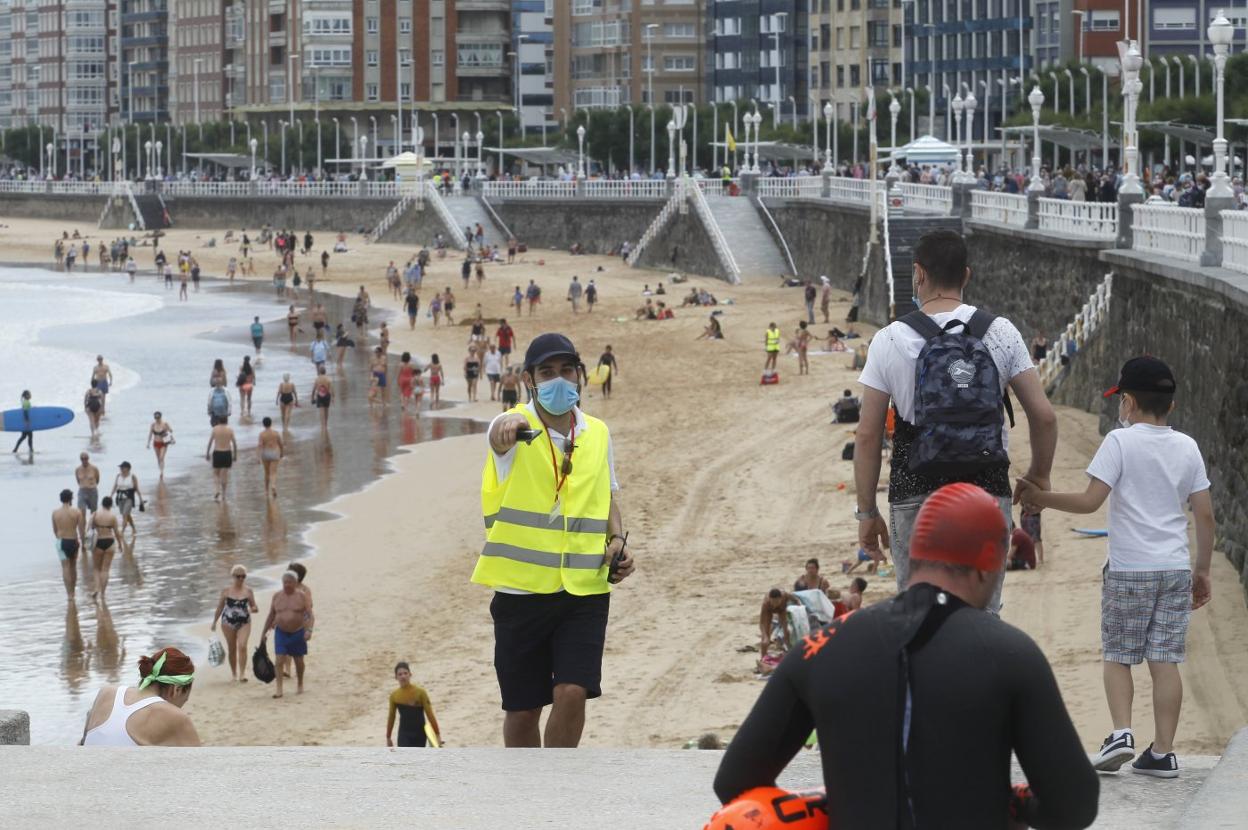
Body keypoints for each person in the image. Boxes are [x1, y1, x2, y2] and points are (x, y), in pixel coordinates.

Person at [713, 483, 1099, 829]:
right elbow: (1074, 805)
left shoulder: (819, 649)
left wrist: (826, 807)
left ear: (913, 556)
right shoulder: (1011, 652)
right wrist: (1014, 805)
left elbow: (734, 781)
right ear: (989, 566)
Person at [1016, 356, 1214, 779]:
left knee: (1119, 654)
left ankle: (1122, 732)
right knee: (1165, 659)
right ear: (1171, 406)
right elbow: (1205, 516)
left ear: (1126, 402)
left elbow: (1090, 501)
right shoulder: (1188, 447)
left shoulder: (1119, 442)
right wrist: (1203, 571)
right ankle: (1163, 752)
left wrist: (1040, 498)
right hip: (1175, 567)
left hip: (1129, 569)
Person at [854, 230, 1057, 614]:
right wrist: (1038, 476)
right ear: (966, 276)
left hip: (915, 490)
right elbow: (1044, 417)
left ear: (918, 274)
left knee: (917, 618)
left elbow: (867, 437)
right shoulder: (1001, 332)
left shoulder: (889, 339)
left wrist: (867, 514)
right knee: (982, 618)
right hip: (985, 490)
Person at [472, 332, 635, 748]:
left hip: (584, 589)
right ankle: (526, 793)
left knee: (572, 691)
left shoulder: (597, 433)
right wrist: (504, 429)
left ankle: (558, 786)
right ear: (529, 378)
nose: (558, 381)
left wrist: (617, 542)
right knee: (524, 709)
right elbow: (497, 434)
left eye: (566, 371)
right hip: (520, 591)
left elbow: (608, 494)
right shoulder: (513, 427)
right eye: (547, 372)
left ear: (580, 376)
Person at [80, 648, 201, 746]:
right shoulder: (176, 717)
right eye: (183, 702)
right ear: (176, 690)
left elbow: (82, 744)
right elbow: (200, 768)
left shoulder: (106, 692)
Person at [262, 571, 316, 699]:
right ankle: (279, 689)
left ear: (295, 583)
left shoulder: (302, 596)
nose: (286, 585)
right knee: (279, 659)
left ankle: (300, 683)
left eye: (289, 582)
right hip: (281, 632)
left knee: (299, 661)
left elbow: (310, 615)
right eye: (284, 582)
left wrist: (309, 630)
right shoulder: (277, 596)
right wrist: (264, 633)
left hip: (298, 631)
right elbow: (271, 615)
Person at [211, 565, 260, 682]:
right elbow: (219, 608)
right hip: (227, 622)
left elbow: (254, 606)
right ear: (233, 576)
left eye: (243, 576)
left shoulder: (248, 591)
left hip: (244, 622)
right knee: (232, 648)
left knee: (242, 646)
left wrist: (254, 608)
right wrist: (214, 622)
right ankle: (234, 673)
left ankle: (242, 674)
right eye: (238, 576)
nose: (241, 579)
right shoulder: (226, 591)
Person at [386, 662, 443, 748]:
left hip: (420, 733)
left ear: (410, 674)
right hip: (404, 734)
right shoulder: (394, 696)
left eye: (405, 673)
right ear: (396, 677)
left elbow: (430, 714)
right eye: (400, 674)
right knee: (404, 759)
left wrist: (437, 734)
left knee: (418, 759)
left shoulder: (420, 693)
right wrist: (388, 737)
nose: (403, 676)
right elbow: (391, 717)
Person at [52, 489, 84, 600]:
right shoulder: (77, 512)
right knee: (73, 566)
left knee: (65, 567)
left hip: (61, 541)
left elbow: (55, 531)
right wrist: (83, 543)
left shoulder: (55, 513)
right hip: (73, 540)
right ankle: (73, 591)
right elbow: (81, 530)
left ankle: (69, 594)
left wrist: (60, 537)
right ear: (71, 498)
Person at [89, 496, 121, 599]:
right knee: (105, 570)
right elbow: (116, 532)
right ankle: (103, 594)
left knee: (96, 569)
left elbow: (88, 528)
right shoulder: (112, 516)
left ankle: (96, 589)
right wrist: (120, 544)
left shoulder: (95, 514)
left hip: (98, 541)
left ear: (102, 504)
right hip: (110, 542)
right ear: (110, 505)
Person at [205, 416, 238, 501]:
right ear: (227, 421)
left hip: (217, 452)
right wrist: (235, 455)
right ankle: (223, 494)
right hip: (227, 453)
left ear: (219, 421)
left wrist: (207, 453)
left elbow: (210, 442)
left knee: (216, 473)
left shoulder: (215, 429)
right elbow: (234, 443)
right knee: (225, 474)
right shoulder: (230, 430)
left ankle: (217, 490)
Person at [759, 589, 798, 660]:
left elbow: (794, 599)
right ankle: (763, 659)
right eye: (773, 602)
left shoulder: (785, 595)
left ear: (781, 598)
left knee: (786, 633)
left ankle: (790, 654)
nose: (775, 604)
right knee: (765, 639)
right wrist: (764, 635)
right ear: (770, 599)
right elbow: (762, 623)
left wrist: (798, 604)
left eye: (777, 602)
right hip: (769, 611)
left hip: (782, 610)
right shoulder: (766, 604)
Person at [110, 461, 143, 540]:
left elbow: (136, 488)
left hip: (129, 497)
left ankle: (122, 532)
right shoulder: (118, 476)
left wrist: (140, 499)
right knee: (126, 515)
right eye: (120, 467)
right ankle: (133, 528)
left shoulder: (132, 476)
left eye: (122, 467)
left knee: (125, 514)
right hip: (120, 497)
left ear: (127, 468)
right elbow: (115, 486)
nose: (121, 469)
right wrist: (111, 495)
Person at [258, 417, 284, 499]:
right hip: (274, 452)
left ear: (263, 424)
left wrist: (258, 456)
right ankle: (273, 485)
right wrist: (282, 453)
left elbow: (260, 445)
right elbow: (281, 443)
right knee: (273, 472)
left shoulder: (262, 434)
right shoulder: (276, 433)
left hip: (265, 453)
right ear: (271, 423)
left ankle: (266, 491)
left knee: (266, 473)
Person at [75, 452, 101, 534]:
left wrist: (91, 485)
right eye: (82, 459)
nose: (84, 460)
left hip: (92, 490)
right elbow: (78, 481)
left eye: (85, 458)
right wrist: (83, 486)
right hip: (82, 490)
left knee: (93, 512)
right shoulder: (77, 469)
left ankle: (93, 529)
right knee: (81, 511)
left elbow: (97, 480)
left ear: (88, 459)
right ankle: (83, 531)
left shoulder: (94, 468)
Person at [311, 366, 333, 431]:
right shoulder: (328, 379)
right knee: (326, 411)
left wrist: (312, 397)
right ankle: (326, 425)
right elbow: (331, 389)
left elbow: (314, 389)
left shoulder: (317, 379)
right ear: (325, 371)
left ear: (320, 372)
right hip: (327, 396)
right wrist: (333, 398)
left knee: (321, 411)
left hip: (319, 396)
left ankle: (322, 426)